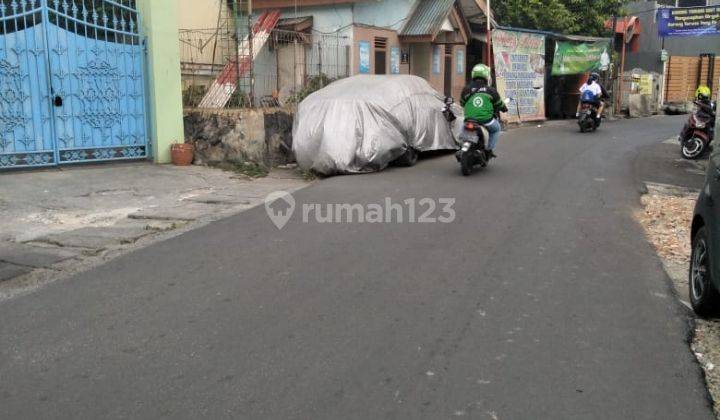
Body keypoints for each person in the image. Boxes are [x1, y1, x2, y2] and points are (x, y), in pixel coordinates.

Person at [460, 64, 508, 158]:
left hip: (469, 119)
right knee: (496, 129)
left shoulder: (466, 89)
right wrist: (504, 108)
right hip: (486, 120)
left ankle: (461, 146)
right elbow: (499, 104)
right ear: (487, 76)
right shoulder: (491, 90)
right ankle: (489, 150)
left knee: (462, 129)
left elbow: (462, 103)